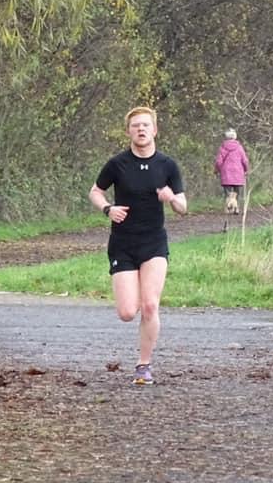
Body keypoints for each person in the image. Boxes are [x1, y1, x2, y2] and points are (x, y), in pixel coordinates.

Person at [88, 106, 187, 386]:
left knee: (150, 305)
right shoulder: (117, 164)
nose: (141, 129)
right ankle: (141, 356)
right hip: (123, 243)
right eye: (135, 126)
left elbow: (183, 206)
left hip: (154, 242)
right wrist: (108, 209)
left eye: (145, 125)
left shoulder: (167, 165)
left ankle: (144, 365)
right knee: (127, 312)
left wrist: (171, 198)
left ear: (155, 130)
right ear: (128, 132)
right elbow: (95, 191)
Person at [214, 128, 249, 215]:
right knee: (237, 193)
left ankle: (228, 208)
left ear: (226, 137)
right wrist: (246, 169)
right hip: (238, 173)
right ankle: (236, 208)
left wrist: (217, 170)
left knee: (228, 193)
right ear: (235, 136)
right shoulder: (239, 147)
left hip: (226, 174)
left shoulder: (222, 148)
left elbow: (219, 161)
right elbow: (245, 161)